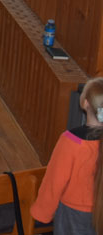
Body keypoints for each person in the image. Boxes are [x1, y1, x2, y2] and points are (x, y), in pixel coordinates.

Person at [31, 78, 103, 234]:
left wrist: (42, 212)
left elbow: (54, 181)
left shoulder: (71, 141)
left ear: (85, 103)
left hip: (73, 214)